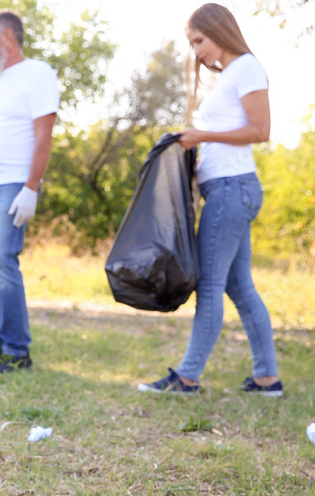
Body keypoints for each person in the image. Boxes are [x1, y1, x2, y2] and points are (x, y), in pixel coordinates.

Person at [138, 3, 282, 397]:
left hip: (232, 190)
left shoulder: (247, 68)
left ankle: (186, 377)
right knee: (239, 288)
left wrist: (200, 137)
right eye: (191, 43)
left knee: (211, 285)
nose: (196, 50)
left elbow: (260, 129)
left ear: (218, 30)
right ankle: (268, 379)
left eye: (198, 40)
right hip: (227, 189)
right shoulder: (233, 75)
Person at [0, 9, 59, 373]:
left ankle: (18, 351)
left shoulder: (38, 74)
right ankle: (4, 346)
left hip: (13, 186)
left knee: (2, 260)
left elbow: (43, 136)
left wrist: (31, 188)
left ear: (6, 38)